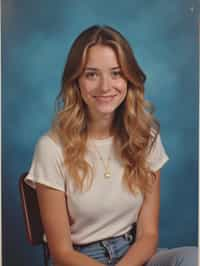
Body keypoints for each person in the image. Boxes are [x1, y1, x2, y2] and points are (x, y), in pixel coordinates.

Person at [25, 25, 198, 266]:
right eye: (92, 74)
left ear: (129, 77)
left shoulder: (145, 137)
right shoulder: (50, 147)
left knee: (193, 258)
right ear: (76, 81)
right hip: (80, 260)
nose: (105, 87)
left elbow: (148, 235)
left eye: (116, 73)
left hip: (134, 255)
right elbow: (62, 253)